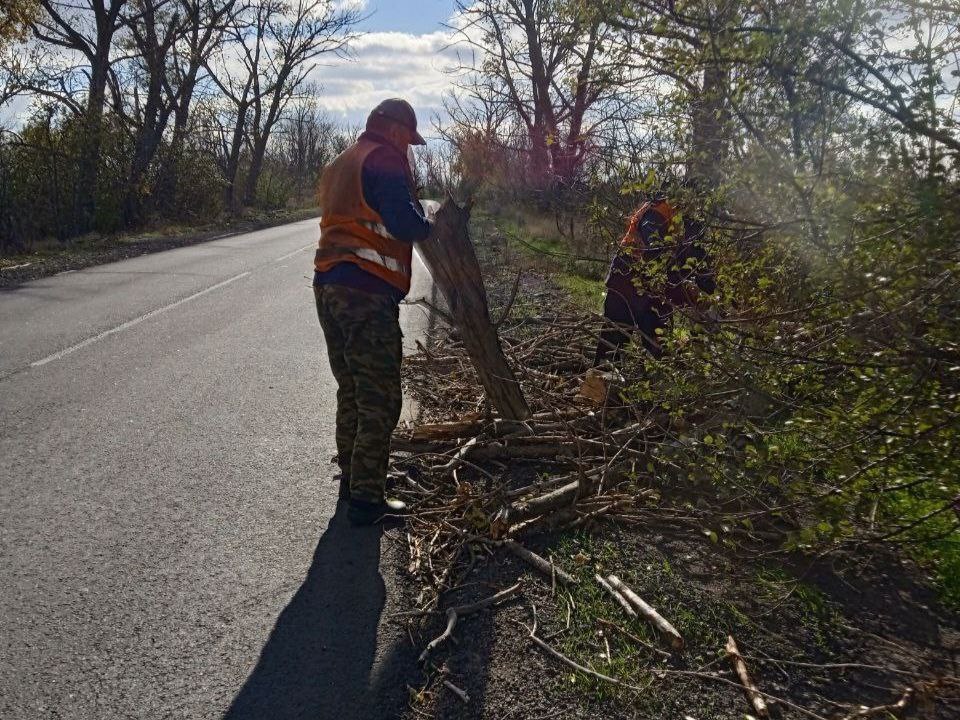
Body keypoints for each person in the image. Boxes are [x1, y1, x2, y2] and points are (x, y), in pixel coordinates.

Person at [313, 98, 433, 526]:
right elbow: (403, 222)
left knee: (351, 387)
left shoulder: (341, 162)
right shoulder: (384, 158)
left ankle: (353, 477)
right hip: (365, 292)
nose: (409, 149)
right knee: (380, 396)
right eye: (409, 140)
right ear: (396, 130)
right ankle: (367, 498)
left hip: (328, 286)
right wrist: (430, 226)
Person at [594, 193, 715, 365]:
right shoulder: (659, 213)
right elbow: (656, 257)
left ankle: (654, 384)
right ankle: (598, 384)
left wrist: (708, 292)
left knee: (658, 344)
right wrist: (686, 290)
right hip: (628, 278)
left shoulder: (690, 222)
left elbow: (700, 259)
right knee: (614, 339)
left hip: (651, 288)